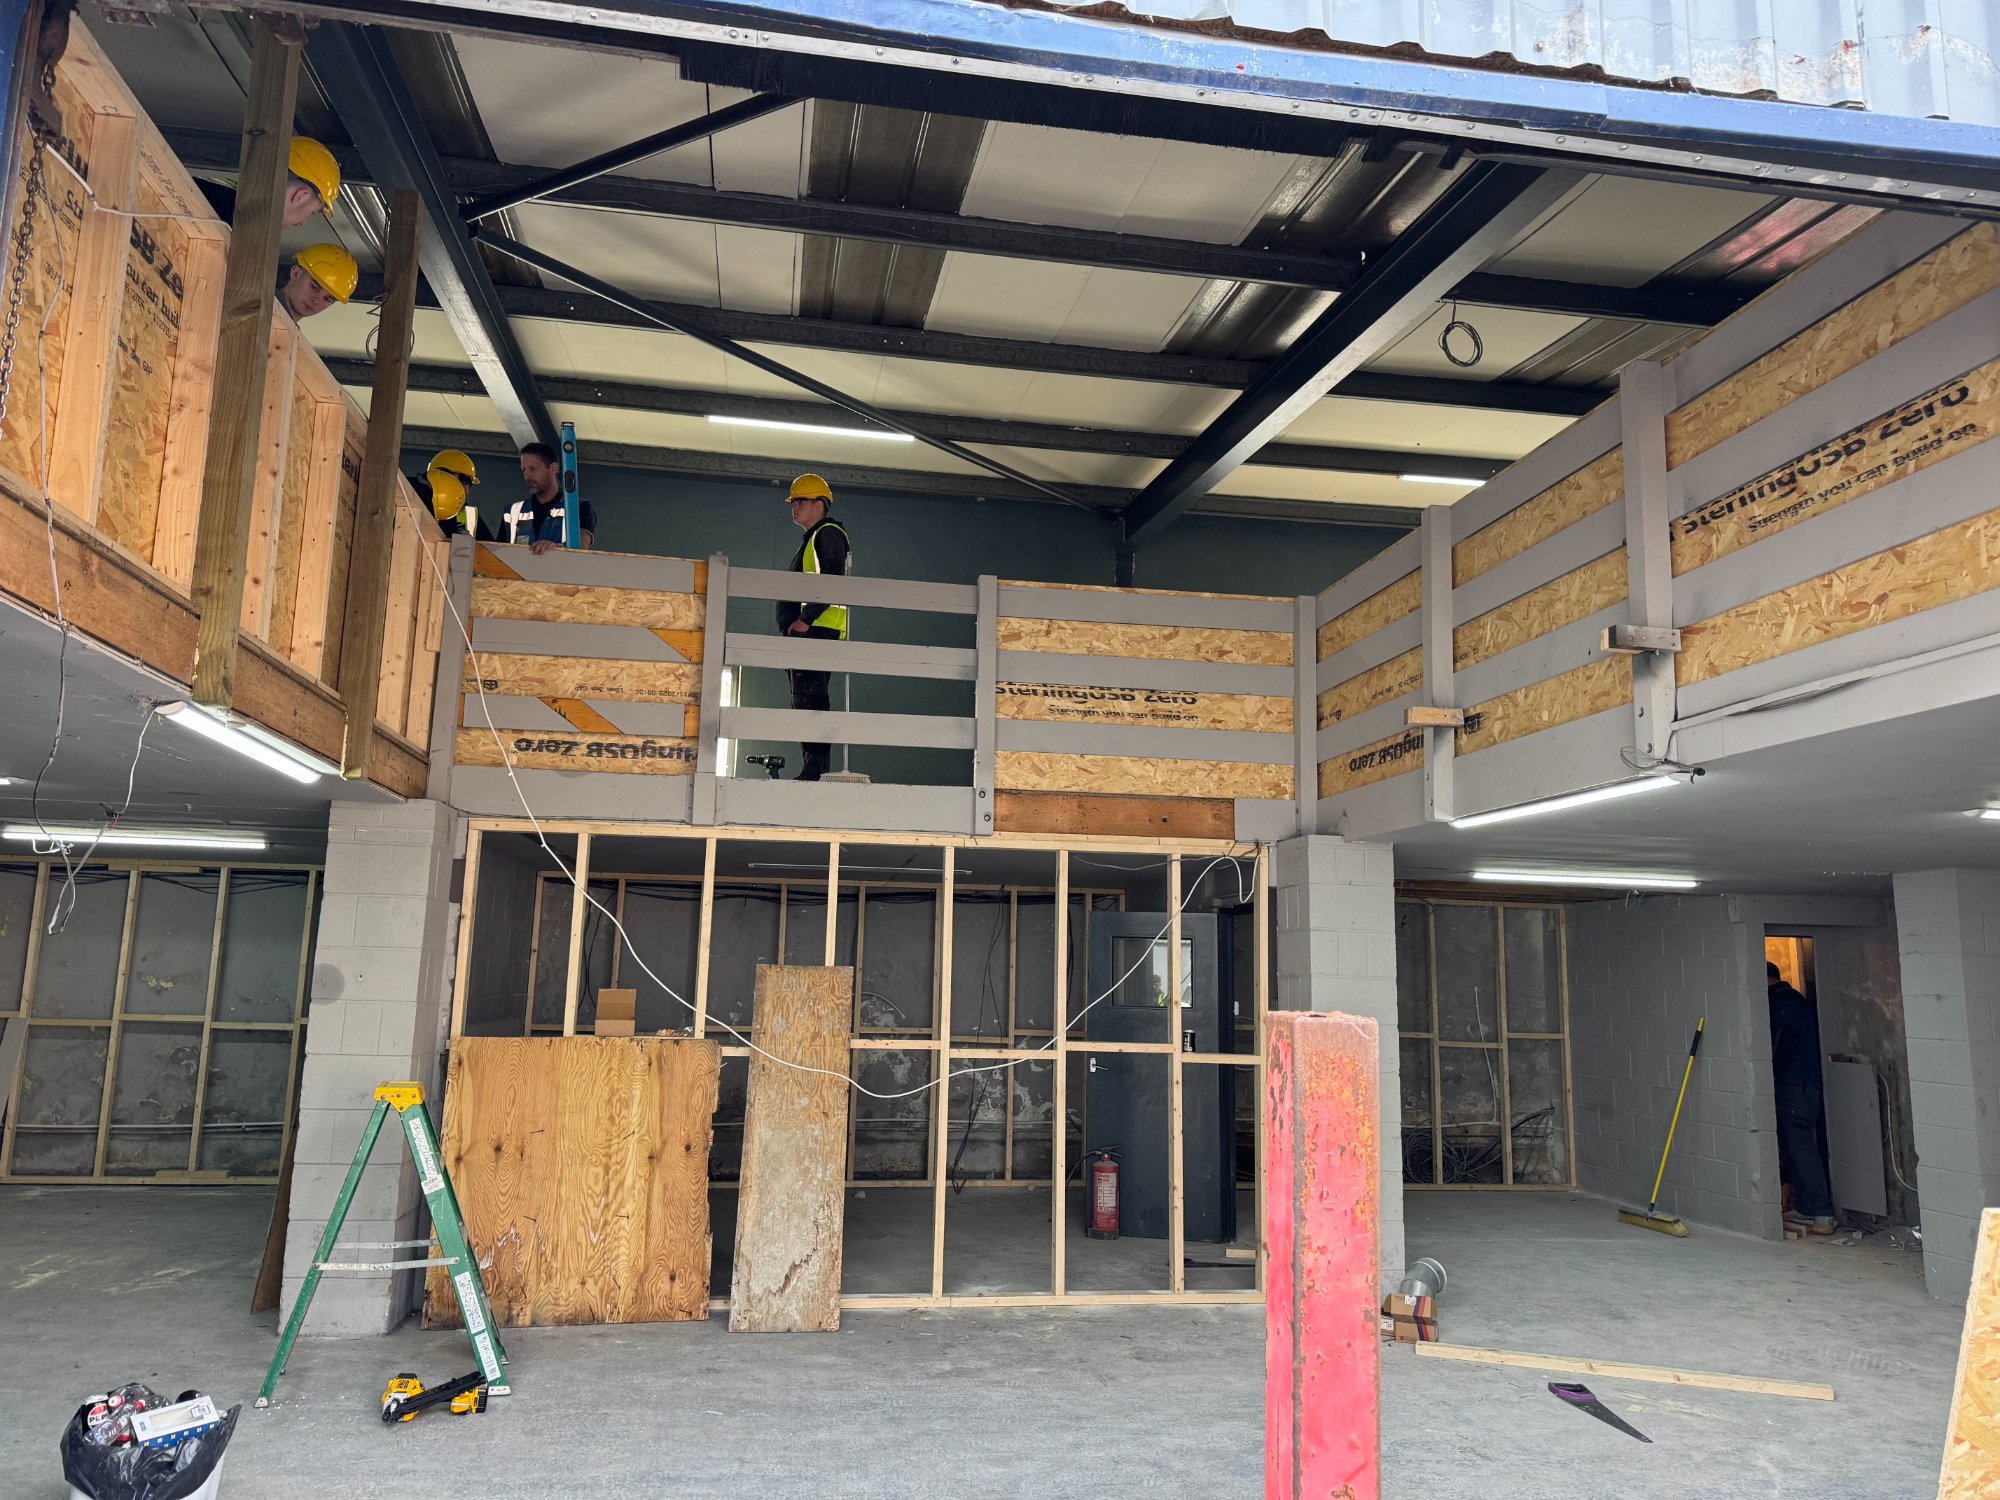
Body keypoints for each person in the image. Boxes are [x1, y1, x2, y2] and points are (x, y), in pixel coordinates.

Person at [776, 473, 851, 781]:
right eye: (793, 502)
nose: (794, 507)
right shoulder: (813, 539)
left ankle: (815, 770)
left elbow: (834, 582)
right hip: (809, 632)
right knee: (804, 698)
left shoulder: (828, 534)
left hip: (817, 631)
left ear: (819, 504)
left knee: (811, 698)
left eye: (800, 501)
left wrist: (805, 620)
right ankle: (813, 768)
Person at [1769, 960, 1835, 1235]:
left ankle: (1821, 1212)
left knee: (1800, 1146)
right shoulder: (1795, 1001)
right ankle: (1808, 1206)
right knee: (1796, 1144)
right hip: (1805, 1083)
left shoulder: (1782, 1004)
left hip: (1794, 1084)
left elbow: (1777, 1042)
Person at [198, 137, 342, 228]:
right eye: (312, 212)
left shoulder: (208, 192)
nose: (302, 223)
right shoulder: (237, 229)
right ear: (301, 196)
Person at [501, 442, 596, 554]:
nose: (527, 476)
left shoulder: (578, 507)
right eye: (524, 470)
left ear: (553, 468)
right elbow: (497, 552)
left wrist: (557, 548)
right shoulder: (511, 512)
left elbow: (581, 545)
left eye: (532, 468)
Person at [412, 450, 491, 541]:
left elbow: (491, 550)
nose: (467, 491)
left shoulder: (469, 515)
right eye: (465, 482)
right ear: (445, 475)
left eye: (470, 485)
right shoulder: (411, 492)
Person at [277, 243, 357, 322]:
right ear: (296, 273)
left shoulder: (288, 331)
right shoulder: (267, 307)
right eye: (314, 287)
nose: (316, 300)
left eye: (327, 299)